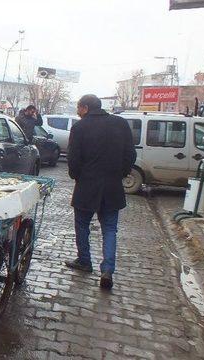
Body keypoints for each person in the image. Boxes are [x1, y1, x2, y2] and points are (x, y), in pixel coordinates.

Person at [65, 94, 136, 290]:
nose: (78, 112)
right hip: (112, 187)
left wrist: (77, 176)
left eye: (78, 108)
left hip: (87, 185)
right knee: (110, 229)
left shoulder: (79, 127)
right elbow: (130, 154)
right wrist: (119, 174)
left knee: (81, 225)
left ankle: (84, 261)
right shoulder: (120, 124)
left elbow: (73, 159)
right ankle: (107, 270)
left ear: (85, 108)